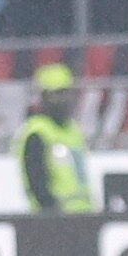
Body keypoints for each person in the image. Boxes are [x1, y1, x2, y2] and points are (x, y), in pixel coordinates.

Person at [16, 62, 90, 211]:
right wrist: (51, 210)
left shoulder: (73, 130)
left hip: (84, 216)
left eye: (67, 93)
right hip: (54, 221)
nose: (64, 100)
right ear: (43, 98)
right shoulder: (37, 133)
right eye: (57, 95)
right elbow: (36, 181)